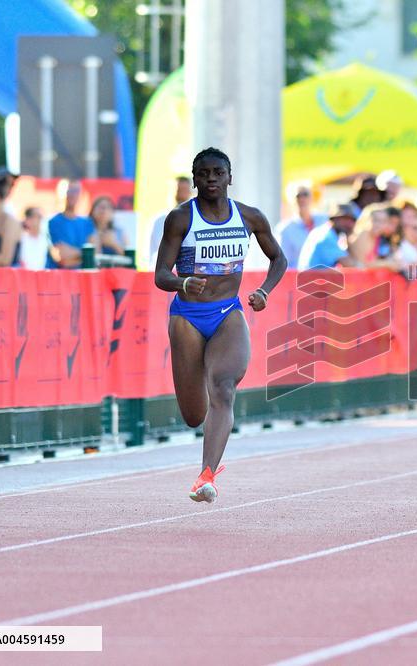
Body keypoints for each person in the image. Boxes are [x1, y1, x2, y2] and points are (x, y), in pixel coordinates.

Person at [155, 147, 287, 503]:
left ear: (230, 177)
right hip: (187, 317)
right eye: (203, 174)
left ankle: (206, 476)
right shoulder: (181, 219)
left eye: (218, 173)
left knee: (224, 388)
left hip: (228, 312)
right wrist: (182, 282)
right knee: (193, 415)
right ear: (195, 179)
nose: (211, 179)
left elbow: (279, 258)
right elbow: (161, 274)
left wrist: (264, 291)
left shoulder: (250, 217)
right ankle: (202, 416)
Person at [273, 180, 328, 269]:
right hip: (298, 276)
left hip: (325, 274)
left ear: (312, 197)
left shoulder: (324, 220)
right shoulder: (284, 229)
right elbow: (282, 262)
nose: (302, 199)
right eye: (298, 195)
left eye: (305, 194)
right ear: (291, 200)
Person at [297, 202, 360, 270]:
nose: (349, 224)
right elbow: (351, 265)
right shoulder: (326, 237)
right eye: (345, 219)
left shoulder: (322, 231)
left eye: (351, 220)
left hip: (310, 275)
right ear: (334, 219)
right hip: (311, 276)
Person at [47, 179, 94, 268]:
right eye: (69, 190)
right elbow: (61, 257)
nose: (72, 195)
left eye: (76, 191)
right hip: (61, 275)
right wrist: (85, 254)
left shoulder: (87, 223)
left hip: (83, 275)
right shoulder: (53, 222)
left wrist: (74, 253)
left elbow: (95, 255)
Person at [149, 176, 193, 266]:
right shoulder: (159, 221)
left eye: (184, 191)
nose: (181, 196)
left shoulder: (197, 221)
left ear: (190, 193)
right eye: (178, 191)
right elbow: (152, 252)